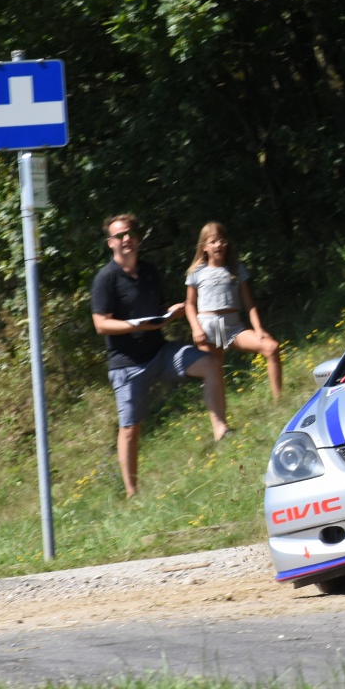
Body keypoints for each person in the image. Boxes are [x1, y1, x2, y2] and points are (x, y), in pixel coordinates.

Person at [91, 214, 228, 499]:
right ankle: (132, 493)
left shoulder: (149, 271)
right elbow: (101, 325)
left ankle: (221, 431)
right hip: (127, 365)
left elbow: (158, 311)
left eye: (130, 234)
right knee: (130, 428)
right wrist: (134, 326)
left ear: (137, 238)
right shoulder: (106, 279)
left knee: (211, 363)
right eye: (119, 236)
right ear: (110, 243)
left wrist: (172, 313)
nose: (126, 239)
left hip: (160, 353)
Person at [184, 221, 283, 401]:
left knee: (271, 347)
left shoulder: (236, 269)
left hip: (234, 327)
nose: (218, 245)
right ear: (204, 246)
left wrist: (259, 329)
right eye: (213, 241)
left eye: (222, 241)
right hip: (207, 328)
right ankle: (220, 416)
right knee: (214, 373)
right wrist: (195, 328)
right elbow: (189, 304)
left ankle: (279, 400)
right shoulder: (196, 272)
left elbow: (249, 303)